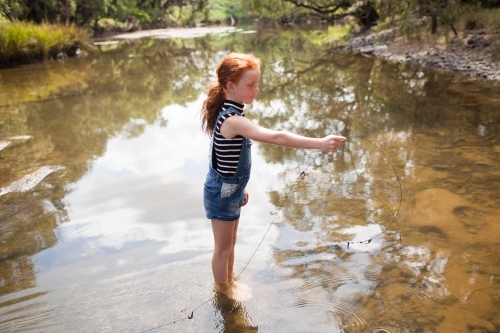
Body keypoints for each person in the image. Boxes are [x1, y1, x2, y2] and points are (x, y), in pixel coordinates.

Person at [200, 52, 346, 301]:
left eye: (257, 83)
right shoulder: (232, 119)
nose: (256, 89)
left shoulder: (232, 112)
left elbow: (223, 158)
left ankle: (230, 281)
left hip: (229, 190)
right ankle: (222, 292)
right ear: (231, 86)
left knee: (230, 244)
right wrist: (318, 143)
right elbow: (276, 137)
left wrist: (239, 187)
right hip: (220, 194)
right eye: (251, 84)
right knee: (223, 249)